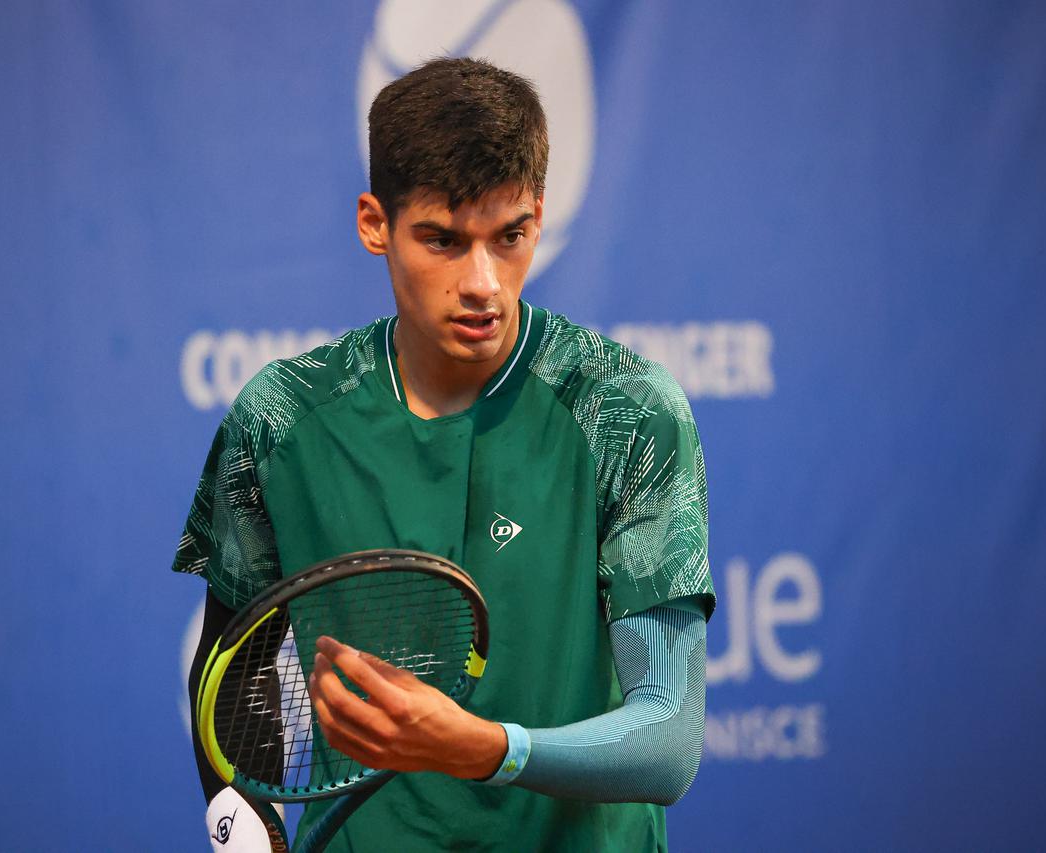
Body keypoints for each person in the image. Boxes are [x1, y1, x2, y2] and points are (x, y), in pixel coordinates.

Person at [173, 57, 715, 852]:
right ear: (373, 224)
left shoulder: (626, 411)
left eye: (510, 236)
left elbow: (668, 738)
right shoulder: (279, 419)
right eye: (443, 240)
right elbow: (231, 676)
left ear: (539, 214)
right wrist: (240, 817)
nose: (484, 283)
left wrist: (483, 747)